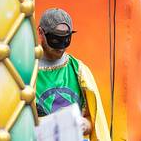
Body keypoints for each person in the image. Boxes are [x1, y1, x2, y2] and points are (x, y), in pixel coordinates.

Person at [36, 8, 109, 141]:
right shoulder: (28, 70)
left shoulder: (79, 71)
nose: (61, 47)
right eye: (56, 40)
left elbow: (93, 120)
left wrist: (85, 125)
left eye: (66, 39)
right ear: (41, 32)